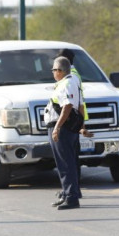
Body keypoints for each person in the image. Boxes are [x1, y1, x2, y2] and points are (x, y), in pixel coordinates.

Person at [44, 56, 82, 210]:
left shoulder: (65, 84)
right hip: (68, 128)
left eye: (54, 69)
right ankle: (67, 194)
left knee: (65, 164)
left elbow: (67, 106)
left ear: (60, 71)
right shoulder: (73, 81)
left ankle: (71, 198)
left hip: (62, 128)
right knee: (68, 163)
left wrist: (57, 127)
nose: (53, 72)